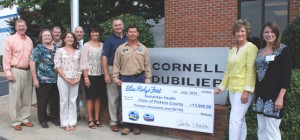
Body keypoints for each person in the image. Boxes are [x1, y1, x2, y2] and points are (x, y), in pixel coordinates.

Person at [214, 19, 258, 140]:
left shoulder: (251, 48)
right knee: (240, 119)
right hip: (232, 90)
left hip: (243, 90)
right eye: (237, 31)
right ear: (234, 33)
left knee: (234, 119)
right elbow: (228, 71)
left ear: (247, 32)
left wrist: (246, 91)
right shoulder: (232, 50)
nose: (240, 34)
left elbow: (251, 71)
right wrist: (221, 87)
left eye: (242, 31)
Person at [252, 21, 292, 140]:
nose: (269, 34)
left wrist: (280, 97)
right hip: (260, 95)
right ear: (262, 35)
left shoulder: (283, 49)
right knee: (262, 128)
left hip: (274, 96)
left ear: (277, 33)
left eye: (272, 32)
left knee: (272, 130)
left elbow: (286, 74)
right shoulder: (260, 51)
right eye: (266, 32)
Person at [113, 24, 152, 135]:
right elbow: (116, 64)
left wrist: (147, 80)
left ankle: (136, 126)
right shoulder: (121, 48)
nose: (132, 34)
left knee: (138, 103)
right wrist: (116, 78)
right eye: (130, 32)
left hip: (139, 78)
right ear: (127, 34)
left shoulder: (143, 48)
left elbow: (147, 65)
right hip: (125, 79)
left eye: (134, 32)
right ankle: (126, 126)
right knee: (125, 103)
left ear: (138, 33)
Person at [2, 19, 34, 131]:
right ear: (15, 27)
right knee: (15, 98)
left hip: (28, 71)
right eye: (19, 26)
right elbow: (6, 57)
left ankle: (25, 119)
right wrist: (8, 72)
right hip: (16, 70)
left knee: (27, 97)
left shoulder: (29, 40)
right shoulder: (10, 39)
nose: (21, 28)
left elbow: (32, 58)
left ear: (26, 27)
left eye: (23, 26)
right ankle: (15, 121)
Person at [30, 29, 60, 128]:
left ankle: (54, 118)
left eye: (49, 35)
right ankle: (42, 120)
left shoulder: (56, 47)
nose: (47, 37)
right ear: (41, 37)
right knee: (42, 101)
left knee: (54, 100)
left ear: (52, 36)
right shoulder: (38, 48)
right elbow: (32, 63)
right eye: (45, 36)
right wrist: (35, 79)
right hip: (42, 80)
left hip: (55, 79)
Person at [102, 18, 128, 132]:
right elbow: (104, 57)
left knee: (126, 97)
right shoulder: (109, 40)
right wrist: (106, 74)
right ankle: (113, 121)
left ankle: (124, 121)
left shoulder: (129, 38)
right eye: (116, 25)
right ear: (113, 27)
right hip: (112, 69)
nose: (118, 27)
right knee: (114, 97)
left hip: (127, 71)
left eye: (120, 25)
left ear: (123, 26)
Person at [54, 32, 81, 131]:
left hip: (75, 79)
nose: (70, 39)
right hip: (63, 79)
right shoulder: (59, 50)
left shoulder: (78, 52)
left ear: (74, 39)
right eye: (68, 37)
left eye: (71, 37)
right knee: (64, 100)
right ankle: (65, 123)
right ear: (64, 39)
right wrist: (66, 79)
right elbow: (57, 66)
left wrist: (78, 78)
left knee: (73, 101)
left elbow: (79, 67)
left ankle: (72, 122)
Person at [80, 26, 106, 129]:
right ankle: (90, 119)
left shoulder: (103, 45)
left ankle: (97, 118)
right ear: (90, 34)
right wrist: (85, 77)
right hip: (90, 75)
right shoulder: (86, 46)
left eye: (96, 32)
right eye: (92, 32)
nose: (94, 34)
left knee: (98, 97)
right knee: (90, 98)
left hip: (100, 75)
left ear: (99, 34)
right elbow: (84, 62)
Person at [74, 26, 87, 120]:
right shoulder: (71, 43)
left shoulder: (87, 43)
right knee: (75, 95)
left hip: (86, 74)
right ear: (74, 33)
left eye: (81, 32)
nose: (79, 33)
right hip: (74, 74)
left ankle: (87, 114)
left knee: (86, 95)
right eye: (77, 32)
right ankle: (76, 114)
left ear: (83, 33)